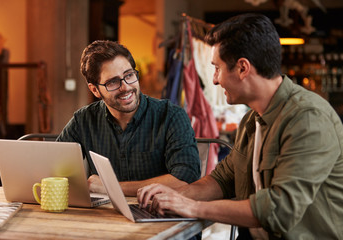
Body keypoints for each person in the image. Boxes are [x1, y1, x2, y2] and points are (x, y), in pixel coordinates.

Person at [137, 13, 343, 239]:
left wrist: (192, 207)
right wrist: (176, 196)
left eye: (217, 68)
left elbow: (279, 209)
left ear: (243, 68)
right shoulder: (252, 120)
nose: (214, 79)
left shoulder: (308, 118)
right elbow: (222, 180)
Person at [57, 40, 201, 196]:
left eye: (129, 75)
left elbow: (186, 178)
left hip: (158, 213)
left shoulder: (171, 116)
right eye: (112, 82)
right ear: (95, 90)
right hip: (104, 215)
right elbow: (53, 168)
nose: (126, 87)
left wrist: (112, 188)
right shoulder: (83, 120)